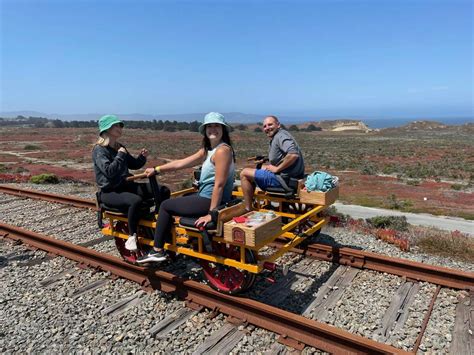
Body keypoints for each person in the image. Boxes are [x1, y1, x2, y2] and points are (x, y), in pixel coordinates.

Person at [137, 112, 236, 263]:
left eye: (217, 126)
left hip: (210, 200)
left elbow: (219, 184)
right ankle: (189, 241)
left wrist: (212, 214)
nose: (213, 129)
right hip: (207, 197)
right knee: (183, 199)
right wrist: (156, 169)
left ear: (223, 129)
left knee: (165, 206)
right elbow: (181, 163)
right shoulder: (208, 150)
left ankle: (157, 250)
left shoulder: (222, 151)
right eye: (209, 126)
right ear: (205, 130)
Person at [92, 114, 151, 252]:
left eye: (120, 125)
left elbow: (134, 164)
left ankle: (159, 226)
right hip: (110, 192)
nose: (120, 128)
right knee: (135, 200)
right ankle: (132, 237)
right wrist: (120, 155)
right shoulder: (99, 150)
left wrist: (142, 157)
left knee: (162, 190)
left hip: (125, 186)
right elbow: (109, 171)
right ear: (107, 129)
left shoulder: (119, 147)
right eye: (116, 125)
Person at [240, 115, 305, 211]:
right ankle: (251, 197)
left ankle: (248, 208)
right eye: (265, 126)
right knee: (258, 167)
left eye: (270, 124)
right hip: (291, 175)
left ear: (278, 125)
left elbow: (293, 154)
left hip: (282, 179)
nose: (267, 128)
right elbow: (283, 156)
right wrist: (266, 160)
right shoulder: (281, 135)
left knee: (244, 173)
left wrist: (277, 169)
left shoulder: (280, 136)